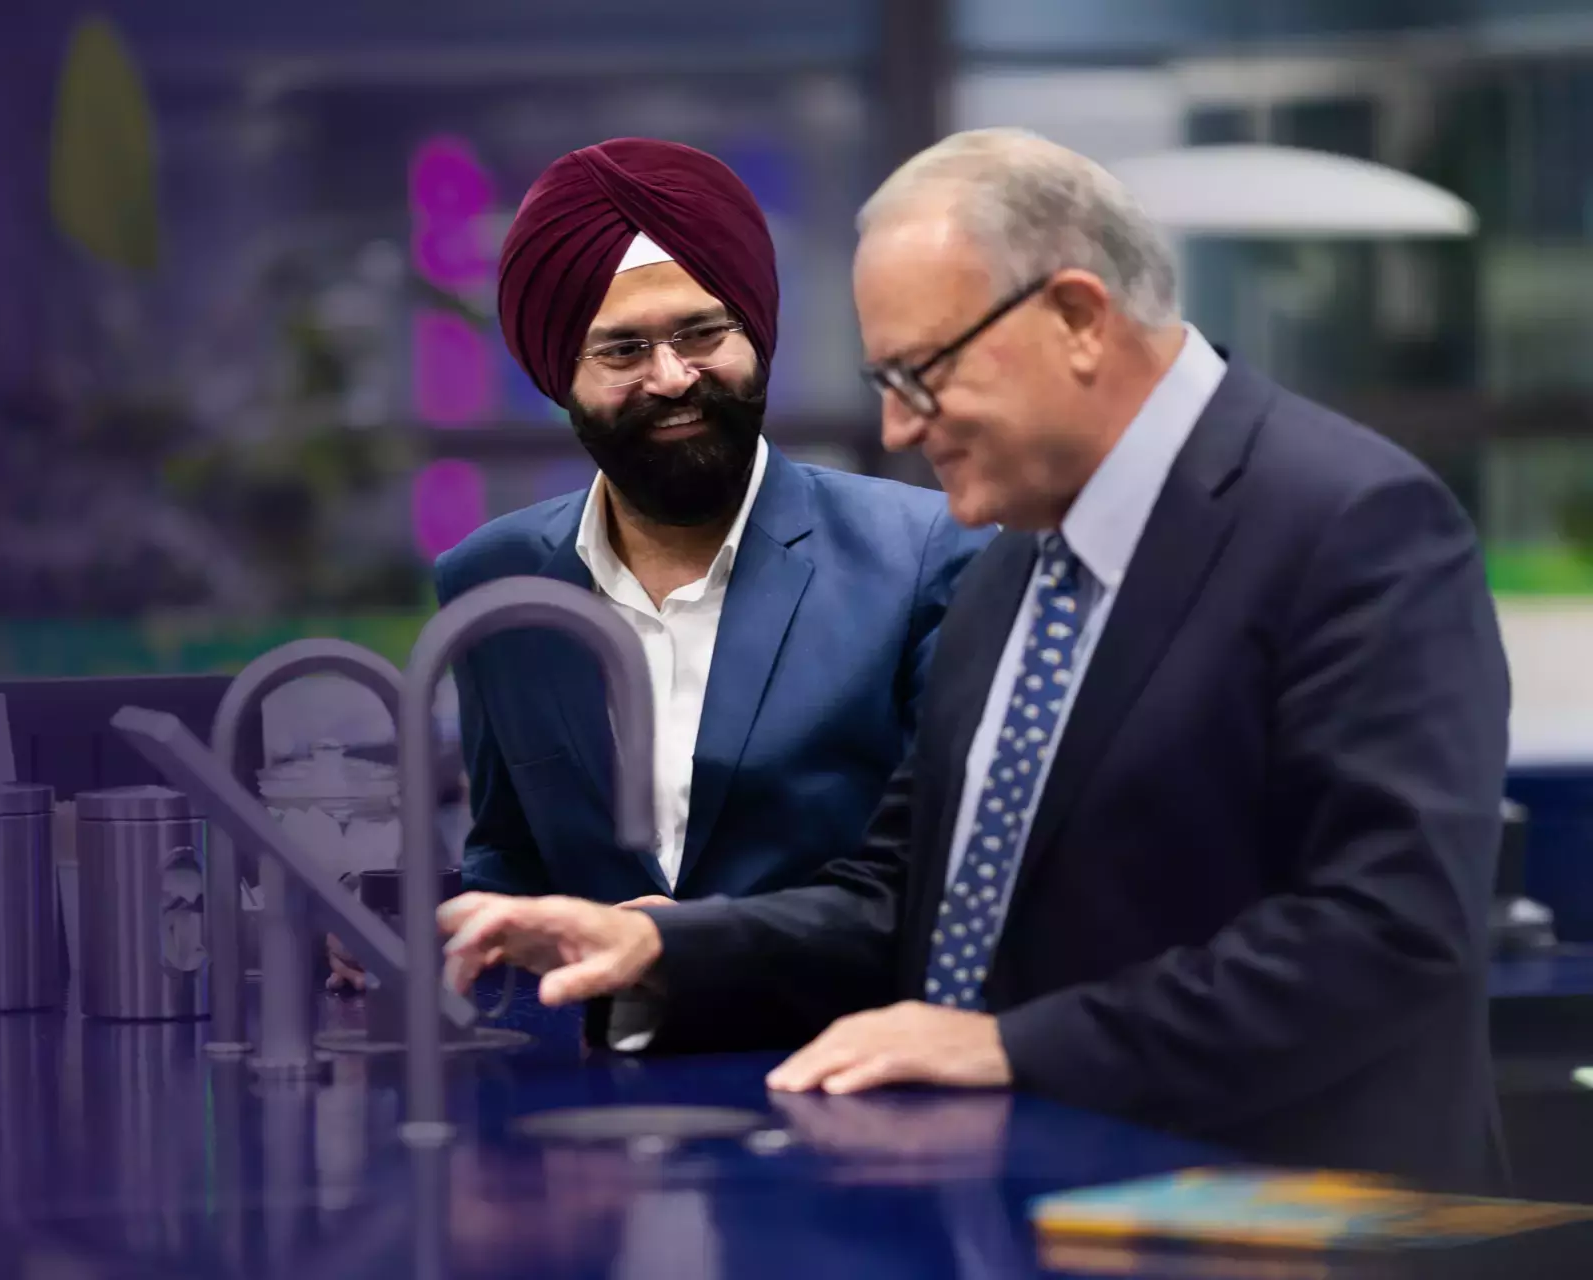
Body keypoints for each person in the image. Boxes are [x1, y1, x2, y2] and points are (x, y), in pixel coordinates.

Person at [436, 128, 1512, 1192]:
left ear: (1077, 318)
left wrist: (1012, 1049)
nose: (898, 428)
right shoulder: (1020, 564)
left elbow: (1392, 934)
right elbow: (907, 892)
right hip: (1061, 1201)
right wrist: (662, 951)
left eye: (921, 373)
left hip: (1306, 1216)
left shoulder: (1352, 522)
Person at [437, 138, 990, 906]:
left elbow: (943, 872)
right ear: (560, 378)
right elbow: (509, 854)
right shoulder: (495, 579)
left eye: (702, 334)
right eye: (623, 350)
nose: (671, 378)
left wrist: (685, 950)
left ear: (754, 336)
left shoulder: (921, 555)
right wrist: (417, 924)